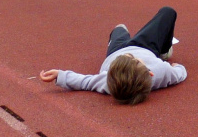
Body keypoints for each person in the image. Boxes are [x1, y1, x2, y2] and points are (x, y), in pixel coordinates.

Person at [38, 7, 187, 105]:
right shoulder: (161, 71)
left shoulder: (109, 81)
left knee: (119, 28)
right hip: (145, 46)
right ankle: (164, 50)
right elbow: (179, 74)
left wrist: (60, 75)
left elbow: (84, 81)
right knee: (168, 12)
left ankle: (120, 34)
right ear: (149, 72)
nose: (130, 55)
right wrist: (176, 66)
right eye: (133, 59)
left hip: (116, 50)